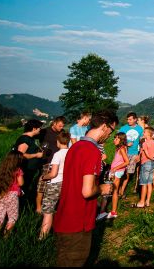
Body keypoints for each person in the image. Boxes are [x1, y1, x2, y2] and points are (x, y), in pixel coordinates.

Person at [53, 110, 118, 267]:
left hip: (64, 216)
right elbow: (87, 191)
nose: (110, 135)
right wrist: (103, 189)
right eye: (111, 130)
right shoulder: (92, 151)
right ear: (104, 126)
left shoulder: (74, 148)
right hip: (78, 221)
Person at [39, 130, 70, 239]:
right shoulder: (71, 152)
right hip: (66, 184)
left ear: (58, 141)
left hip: (55, 184)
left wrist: (43, 177)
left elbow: (53, 174)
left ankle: (42, 238)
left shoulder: (57, 154)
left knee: (48, 212)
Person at [0, 150, 24, 239]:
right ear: (17, 161)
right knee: (12, 217)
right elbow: (21, 183)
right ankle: (6, 238)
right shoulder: (17, 170)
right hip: (12, 196)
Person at [37, 115, 67, 213]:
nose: (61, 128)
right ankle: (38, 207)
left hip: (58, 162)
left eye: (62, 126)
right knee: (42, 185)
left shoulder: (62, 133)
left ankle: (54, 206)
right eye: (59, 126)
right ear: (54, 123)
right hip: (46, 162)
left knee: (55, 184)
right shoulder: (44, 132)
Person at [13, 119, 44, 208]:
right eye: (39, 128)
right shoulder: (25, 139)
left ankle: (21, 206)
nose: (40, 130)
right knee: (22, 188)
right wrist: (36, 155)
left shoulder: (30, 138)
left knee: (25, 188)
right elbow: (20, 155)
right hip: (25, 169)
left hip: (29, 169)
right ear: (34, 128)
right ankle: (19, 207)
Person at [117, 112, 143, 199]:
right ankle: (118, 190)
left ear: (135, 119)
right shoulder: (123, 128)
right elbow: (117, 140)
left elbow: (142, 143)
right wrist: (126, 144)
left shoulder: (140, 129)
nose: (128, 121)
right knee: (120, 173)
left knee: (128, 174)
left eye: (130, 119)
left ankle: (121, 191)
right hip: (123, 153)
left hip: (134, 154)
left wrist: (139, 155)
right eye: (127, 119)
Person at [134, 126, 154, 208]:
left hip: (146, 163)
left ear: (148, 134)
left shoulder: (144, 143)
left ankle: (141, 201)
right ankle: (147, 201)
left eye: (144, 132)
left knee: (143, 183)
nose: (143, 133)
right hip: (152, 164)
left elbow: (147, 154)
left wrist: (149, 157)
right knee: (149, 183)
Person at [107, 132, 129, 219]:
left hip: (117, 172)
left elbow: (127, 161)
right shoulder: (119, 148)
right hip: (115, 171)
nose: (114, 140)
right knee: (112, 190)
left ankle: (113, 212)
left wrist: (115, 168)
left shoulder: (122, 149)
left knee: (114, 191)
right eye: (114, 138)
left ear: (121, 140)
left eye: (116, 139)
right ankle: (111, 209)